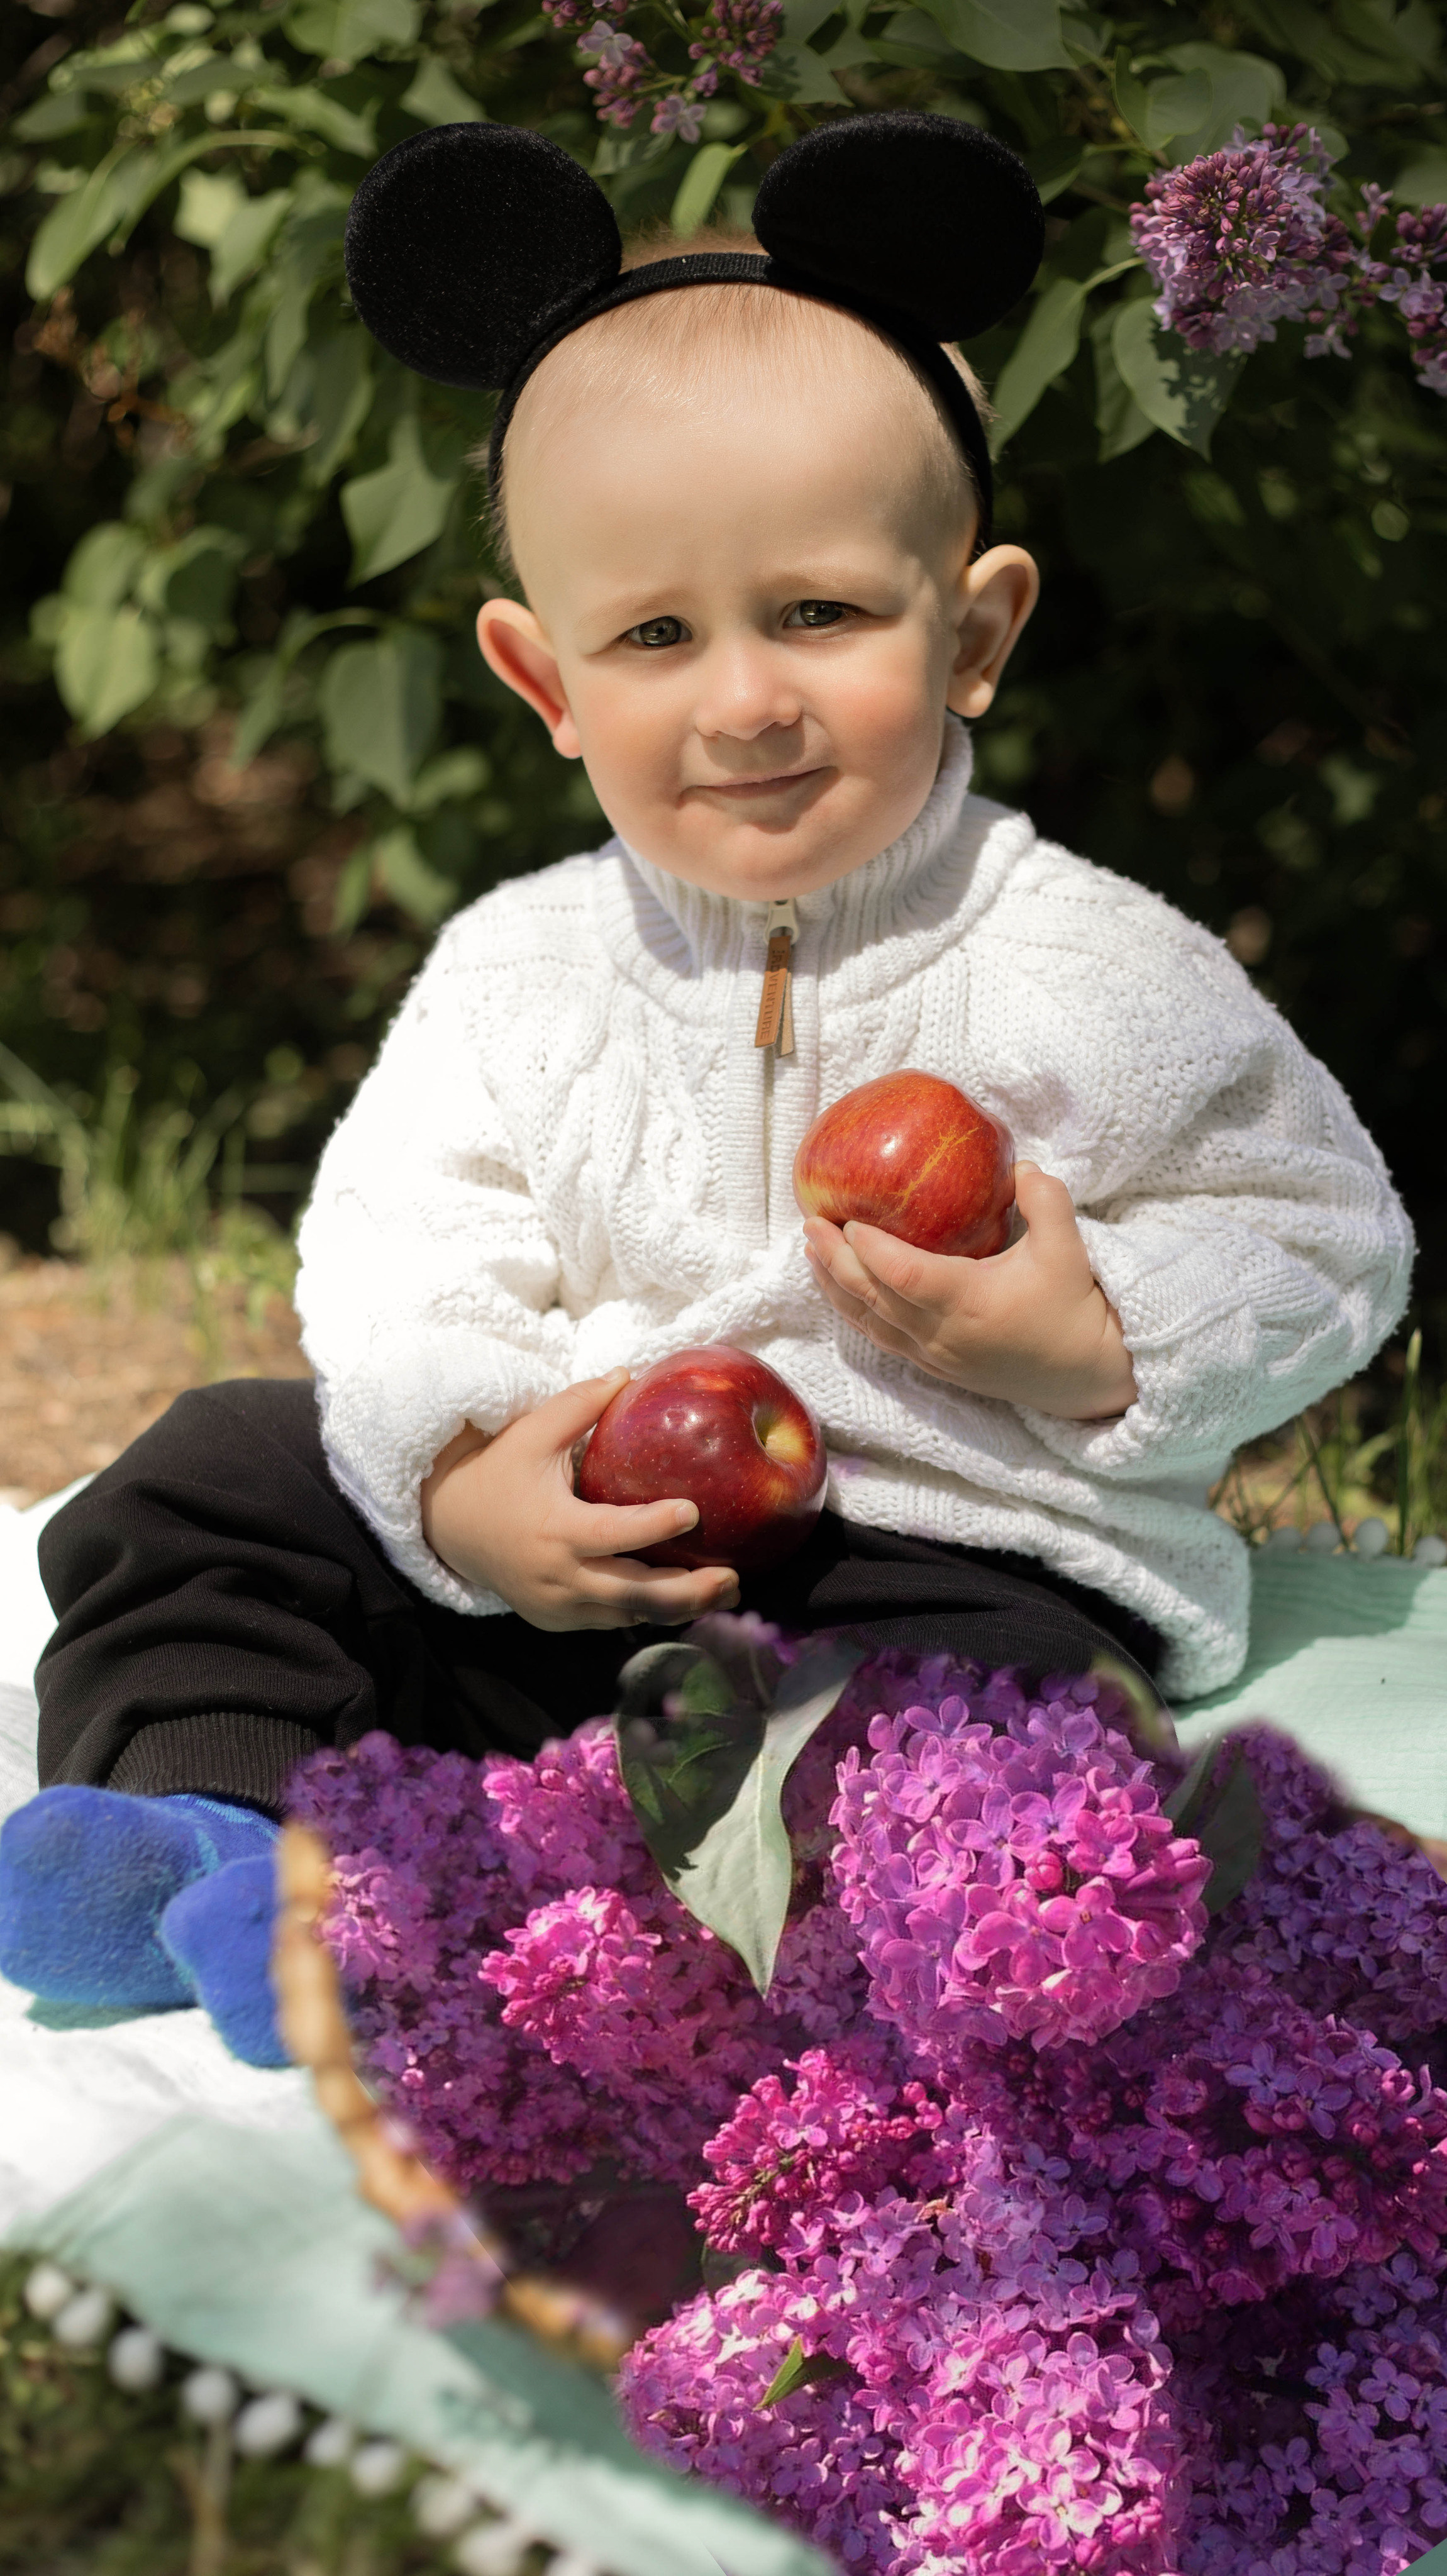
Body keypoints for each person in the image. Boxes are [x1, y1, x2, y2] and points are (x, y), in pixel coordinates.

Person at [0, 114, 1412, 2062]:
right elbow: (407, 1243)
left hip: (928, 1564)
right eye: (655, 637)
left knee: (968, 1745)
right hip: (568, 1563)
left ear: (975, 630)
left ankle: (547, 1921)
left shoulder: (1098, 967)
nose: (743, 698)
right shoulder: (519, 972)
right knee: (222, 1467)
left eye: (819, 614)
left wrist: (1095, 1340)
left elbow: (1326, 1227)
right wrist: (470, 1478)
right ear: (545, 682)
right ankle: (203, 1832)